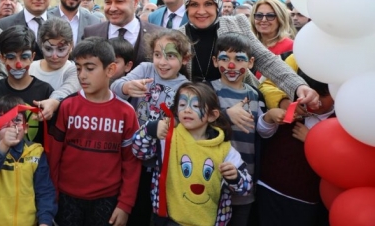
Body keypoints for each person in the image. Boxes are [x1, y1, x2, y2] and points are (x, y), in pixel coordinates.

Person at [178, 0, 319, 109]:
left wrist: (298, 86)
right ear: (186, 7)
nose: (201, 11)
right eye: (194, 4)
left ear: (218, 5)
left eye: (208, 4)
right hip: (194, 112)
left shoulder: (237, 24)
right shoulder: (177, 37)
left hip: (243, 108)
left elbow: (266, 60)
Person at [48, 37, 141, 226]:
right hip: (67, 198)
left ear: (110, 70)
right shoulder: (67, 106)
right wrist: (51, 197)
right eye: (78, 68)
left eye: (90, 68)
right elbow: (54, 155)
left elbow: (131, 162)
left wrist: (125, 204)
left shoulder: (126, 112)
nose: (82, 75)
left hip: (107, 200)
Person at [131, 82, 252, 226]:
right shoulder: (167, 137)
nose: (187, 110)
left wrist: (235, 177)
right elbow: (139, 151)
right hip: (168, 221)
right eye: (182, 105)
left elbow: (246, 188)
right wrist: (150, 130)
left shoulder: (225, 150)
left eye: (195, 106)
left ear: (212, 115)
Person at [111, 29, 192, 226]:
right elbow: (115, 87)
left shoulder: (185, 87)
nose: (162, 62)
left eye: (170, 56)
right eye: (157, 55)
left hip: (159, 161)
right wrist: (126, 87)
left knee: (151, 210)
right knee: (131, 205)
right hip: (131, 153)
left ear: (185, 59)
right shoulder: (145, 69)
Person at [209, 33, 285, 225]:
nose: (231, 65)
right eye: (225, 59)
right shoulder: (207, 91)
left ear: (250, 63)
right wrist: (226, 114)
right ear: (215, 61)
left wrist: (269, 118)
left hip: (245, 178)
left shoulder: (255, 95)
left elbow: (262, 132)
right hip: (211, 178)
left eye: (239, 59)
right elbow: (197, 122)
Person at [257, 55, 334, 226]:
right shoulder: (289, 105)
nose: (315, 102)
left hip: (305, 199)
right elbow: (263, 133)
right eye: (310, 95)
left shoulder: (339, 121)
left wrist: (312, 140)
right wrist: (269, 117)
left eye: (323, 96)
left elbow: (337, 162)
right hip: (269, 187)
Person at [0, 95, 57, 226]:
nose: (11, 126)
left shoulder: (36, 153)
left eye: (17, 120)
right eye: (4, 120)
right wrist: (3, 145)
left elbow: (45, 191)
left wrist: (45, 221)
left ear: (25, 128)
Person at [0, 26, 55, 144]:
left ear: (32, 57)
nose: (18, 64)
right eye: (11, 57)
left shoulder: (45, 90)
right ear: (2, 58)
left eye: (24, 57)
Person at [83, 0, 161, 71]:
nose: (112, 8)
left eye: (119, 1)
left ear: (135, 1)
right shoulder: (91, 33)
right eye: (108, 2)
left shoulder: (158, 34)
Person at [29, 18, 81, 119]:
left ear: (71, 46)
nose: (54, 56)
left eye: (61, 49)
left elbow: (68, 89)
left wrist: (53, 102)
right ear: (41, 45)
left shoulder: (75, 70)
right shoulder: (30, 68)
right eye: (48, 49)